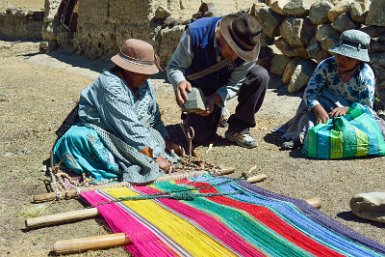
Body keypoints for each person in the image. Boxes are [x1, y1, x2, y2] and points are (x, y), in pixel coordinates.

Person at [53, 39, 183, 184]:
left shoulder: (145, 85)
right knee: (77, 139)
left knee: (154, 137)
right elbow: (130, 129)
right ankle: (126, 163)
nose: (147, 76)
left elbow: (154, 118)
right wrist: (157, 157)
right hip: (105, 133)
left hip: (134, 137)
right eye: (143, 72)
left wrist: (166, 139)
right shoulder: (111, 87)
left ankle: (140, 157)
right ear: (128, 69)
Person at [166, 14, 270, 148]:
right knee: (198, 137)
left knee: (260, 75)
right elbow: (174, 67)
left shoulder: (249, 46)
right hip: (200, 86)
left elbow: (236, 83)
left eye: (241, 53)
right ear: (223, 35)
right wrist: (180, 81)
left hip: (225, 81)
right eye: (234, 50)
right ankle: (217, 113)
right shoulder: (195, 33)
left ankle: (238, 128)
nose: (234, 57)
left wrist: (216, 98)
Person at [278, 29, 385, 149]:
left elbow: (366, 107)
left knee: (375, 127)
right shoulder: (326, 66)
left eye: (349, 58)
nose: (342, 61)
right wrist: (318, 109)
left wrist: (348, 109)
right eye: (340, 55)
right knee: (308, 116)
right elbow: (310, 92)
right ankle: (301, 138)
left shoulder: (365, 75)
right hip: (325, 107)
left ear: (358, 60)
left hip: (352, 112)